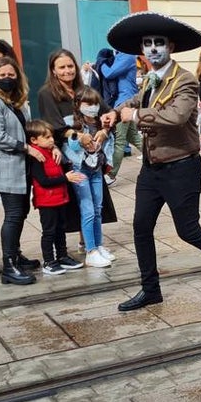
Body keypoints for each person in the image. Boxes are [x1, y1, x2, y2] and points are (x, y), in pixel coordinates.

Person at [111, 11, 201, 311]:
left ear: (171, 47)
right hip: (151, 169)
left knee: (188, 231)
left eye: (159, 43)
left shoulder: (185, 81)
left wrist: (135, 116)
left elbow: (176, 117)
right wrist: (116, 111)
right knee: (141, 228)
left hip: (181, 168)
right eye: (148, 43)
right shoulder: (151, 80)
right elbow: (136, 101)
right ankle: (150, 289)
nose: (153, 48)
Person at [0, 57, 47, 284]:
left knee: (21, 211)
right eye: (2, 75)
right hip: (6, 164)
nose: (7, 79)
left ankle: (16, 254)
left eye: (11, 75)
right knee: (13, 214)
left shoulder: (16, 100)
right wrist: (27, 149)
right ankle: (9, 267)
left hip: (20, 166)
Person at [27, 119, 86, 275]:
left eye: (52, 136)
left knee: (61, 228)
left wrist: (54, 147)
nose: (51, 140)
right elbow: (43, 181)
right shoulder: (37, 156)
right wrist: (66, 178)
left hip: (60, 198)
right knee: (49, 231)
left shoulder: (51, 150)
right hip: (47, 201)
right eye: (46, 137)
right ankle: (49, 261)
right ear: (34, 140)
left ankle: (62, 256)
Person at [65, 87, 115, 268]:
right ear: (78, 105)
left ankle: (98, 245)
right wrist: (79, 137)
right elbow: (71, 146)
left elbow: (108, 145)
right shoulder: (71, 123)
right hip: (80, 171)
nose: (92, 108)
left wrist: (105, 132)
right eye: (88, 104)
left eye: (95, 104)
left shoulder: (100, 123)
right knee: (87, 210)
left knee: (98, 208)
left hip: (96, 170)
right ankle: (90, 250)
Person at [95, 46, 142, 184]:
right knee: (133, 137)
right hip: (121, 102)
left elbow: (109, 73)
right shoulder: (120, 55)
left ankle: (111, 175)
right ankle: (158, 156)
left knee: (119, 140)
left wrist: (100, 62)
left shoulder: (128, 56)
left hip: (125, 102)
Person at [36, 49, 87, 138]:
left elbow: (104, 111)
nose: (67, 71)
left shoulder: (85, 90)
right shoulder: (46, 93)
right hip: (65, 145)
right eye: (62, 67)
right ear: (53, 71)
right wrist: (80, 137)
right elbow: (56, 127)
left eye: (70, 66)